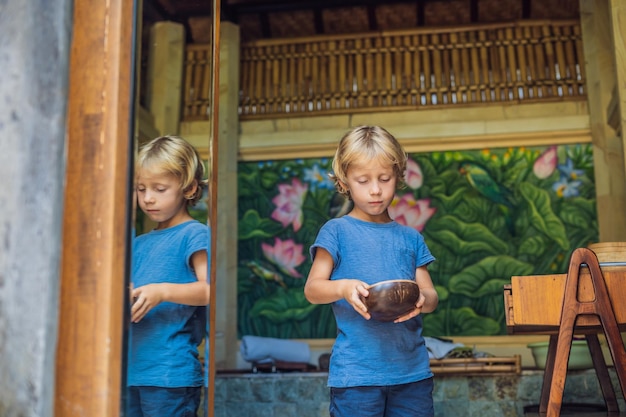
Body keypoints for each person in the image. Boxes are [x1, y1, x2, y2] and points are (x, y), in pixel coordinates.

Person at [304, 125, 439, 417]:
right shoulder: (336, 231)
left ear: (398, 176)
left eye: (384, 178)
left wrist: (421, 301)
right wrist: (342, 287)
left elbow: (430, 295)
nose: (375, 189)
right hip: (356, 377)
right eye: (363, 180)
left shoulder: (411, 238)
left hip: (412, 375)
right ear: (344, 182)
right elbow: (313, 289)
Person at [127, 135, 211, 417]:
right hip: (129, 372)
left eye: (159, 189)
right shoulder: (138, 243)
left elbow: (210, 290)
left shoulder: (195, 234)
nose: (148, 198)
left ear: (188, 189)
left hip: (170, 375)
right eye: (141, 189)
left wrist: (162, 291)